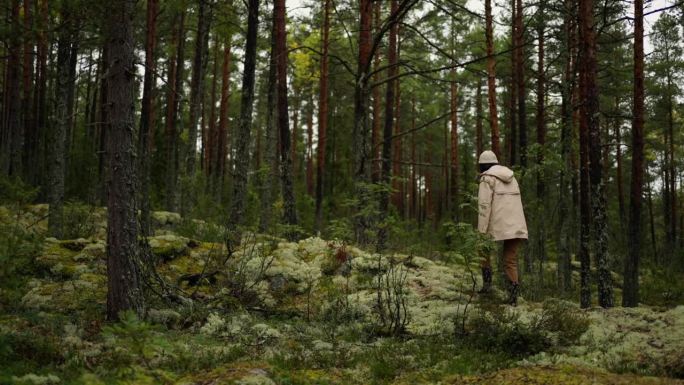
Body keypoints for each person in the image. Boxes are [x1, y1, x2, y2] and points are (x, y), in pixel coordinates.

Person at [476, 150, 528, 306]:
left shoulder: (487, 179)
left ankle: (487, 286)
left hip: (497, 224)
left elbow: (483, 207)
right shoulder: (512, 178)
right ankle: (513, 299)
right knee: (510, 260)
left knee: (483, 251)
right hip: (517, 225)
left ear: (483, 165)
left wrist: (481, 231)